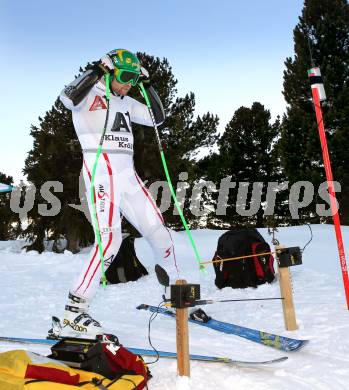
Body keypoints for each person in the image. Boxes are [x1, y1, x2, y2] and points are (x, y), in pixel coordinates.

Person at [58, 49, 177, 338]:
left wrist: (147, 85)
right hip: (101, 175)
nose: (127, 85)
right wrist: (97, 70)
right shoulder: (86, 94)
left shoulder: (126, 101)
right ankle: (73, 312)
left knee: (159, 232)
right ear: (110, 71)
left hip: (127, 177)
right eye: (124, 77)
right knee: (109, 241)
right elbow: (67, 98)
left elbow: (157, 118)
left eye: (132, 80)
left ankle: (177, 292)